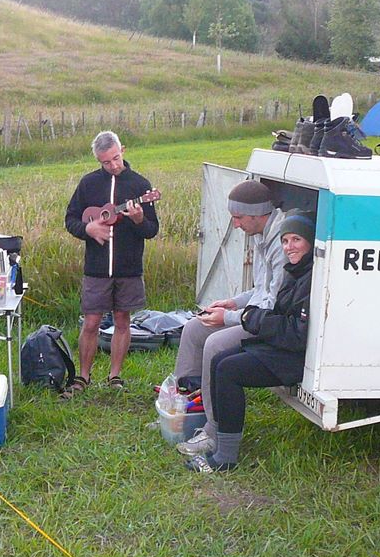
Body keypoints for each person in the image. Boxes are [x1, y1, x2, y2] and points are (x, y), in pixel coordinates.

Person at [184, 210, 316, 473]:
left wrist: (253, 319)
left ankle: (225, 458)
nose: (289, 247)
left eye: (296, 240)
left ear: (310, 242)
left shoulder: (310, 279)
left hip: (293, 356)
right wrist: (250, 315)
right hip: (279, 347)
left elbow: (296, 334)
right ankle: (217, 437)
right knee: (220, 360)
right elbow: (276, 312)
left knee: (228, 370)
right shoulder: (295, 271)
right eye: (285, 240)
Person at [174, 181, 290, 457]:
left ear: (258, 214)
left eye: (238, 218)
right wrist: (234, 302)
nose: (236, 225)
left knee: (215, 343)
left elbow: (272, 305)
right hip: (254, 314)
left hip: (270, 323)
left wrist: (227, 318)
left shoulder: (281, 243)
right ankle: (183, 412)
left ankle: (213, 430)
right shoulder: (262, 235)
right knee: (193, 328)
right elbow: (260, 289)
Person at [63, 131, 159, 396]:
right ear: (98, 160)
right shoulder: (89, 184)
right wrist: (88, 229)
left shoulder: (140, 185)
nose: (113, 165)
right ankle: (83, 376)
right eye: (106, 162)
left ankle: (115, 375)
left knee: (122, 320)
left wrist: (139, 219)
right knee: (91, 322)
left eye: (116, 158)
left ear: (123, 150)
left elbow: (151, 230)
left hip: (129, 267)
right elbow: (71, 219)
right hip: (96, 268)